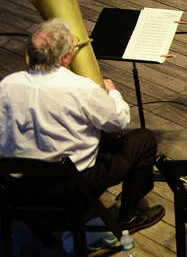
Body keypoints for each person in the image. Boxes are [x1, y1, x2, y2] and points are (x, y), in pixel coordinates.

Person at [0, 20, 164, 240]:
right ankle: (127, 217)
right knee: (143, 140)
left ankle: (42, 229)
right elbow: (118, 123)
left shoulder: (8, 85)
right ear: (66, 56)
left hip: (22, 187)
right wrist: (113, 93)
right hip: (72, 187)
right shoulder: (81, 88)